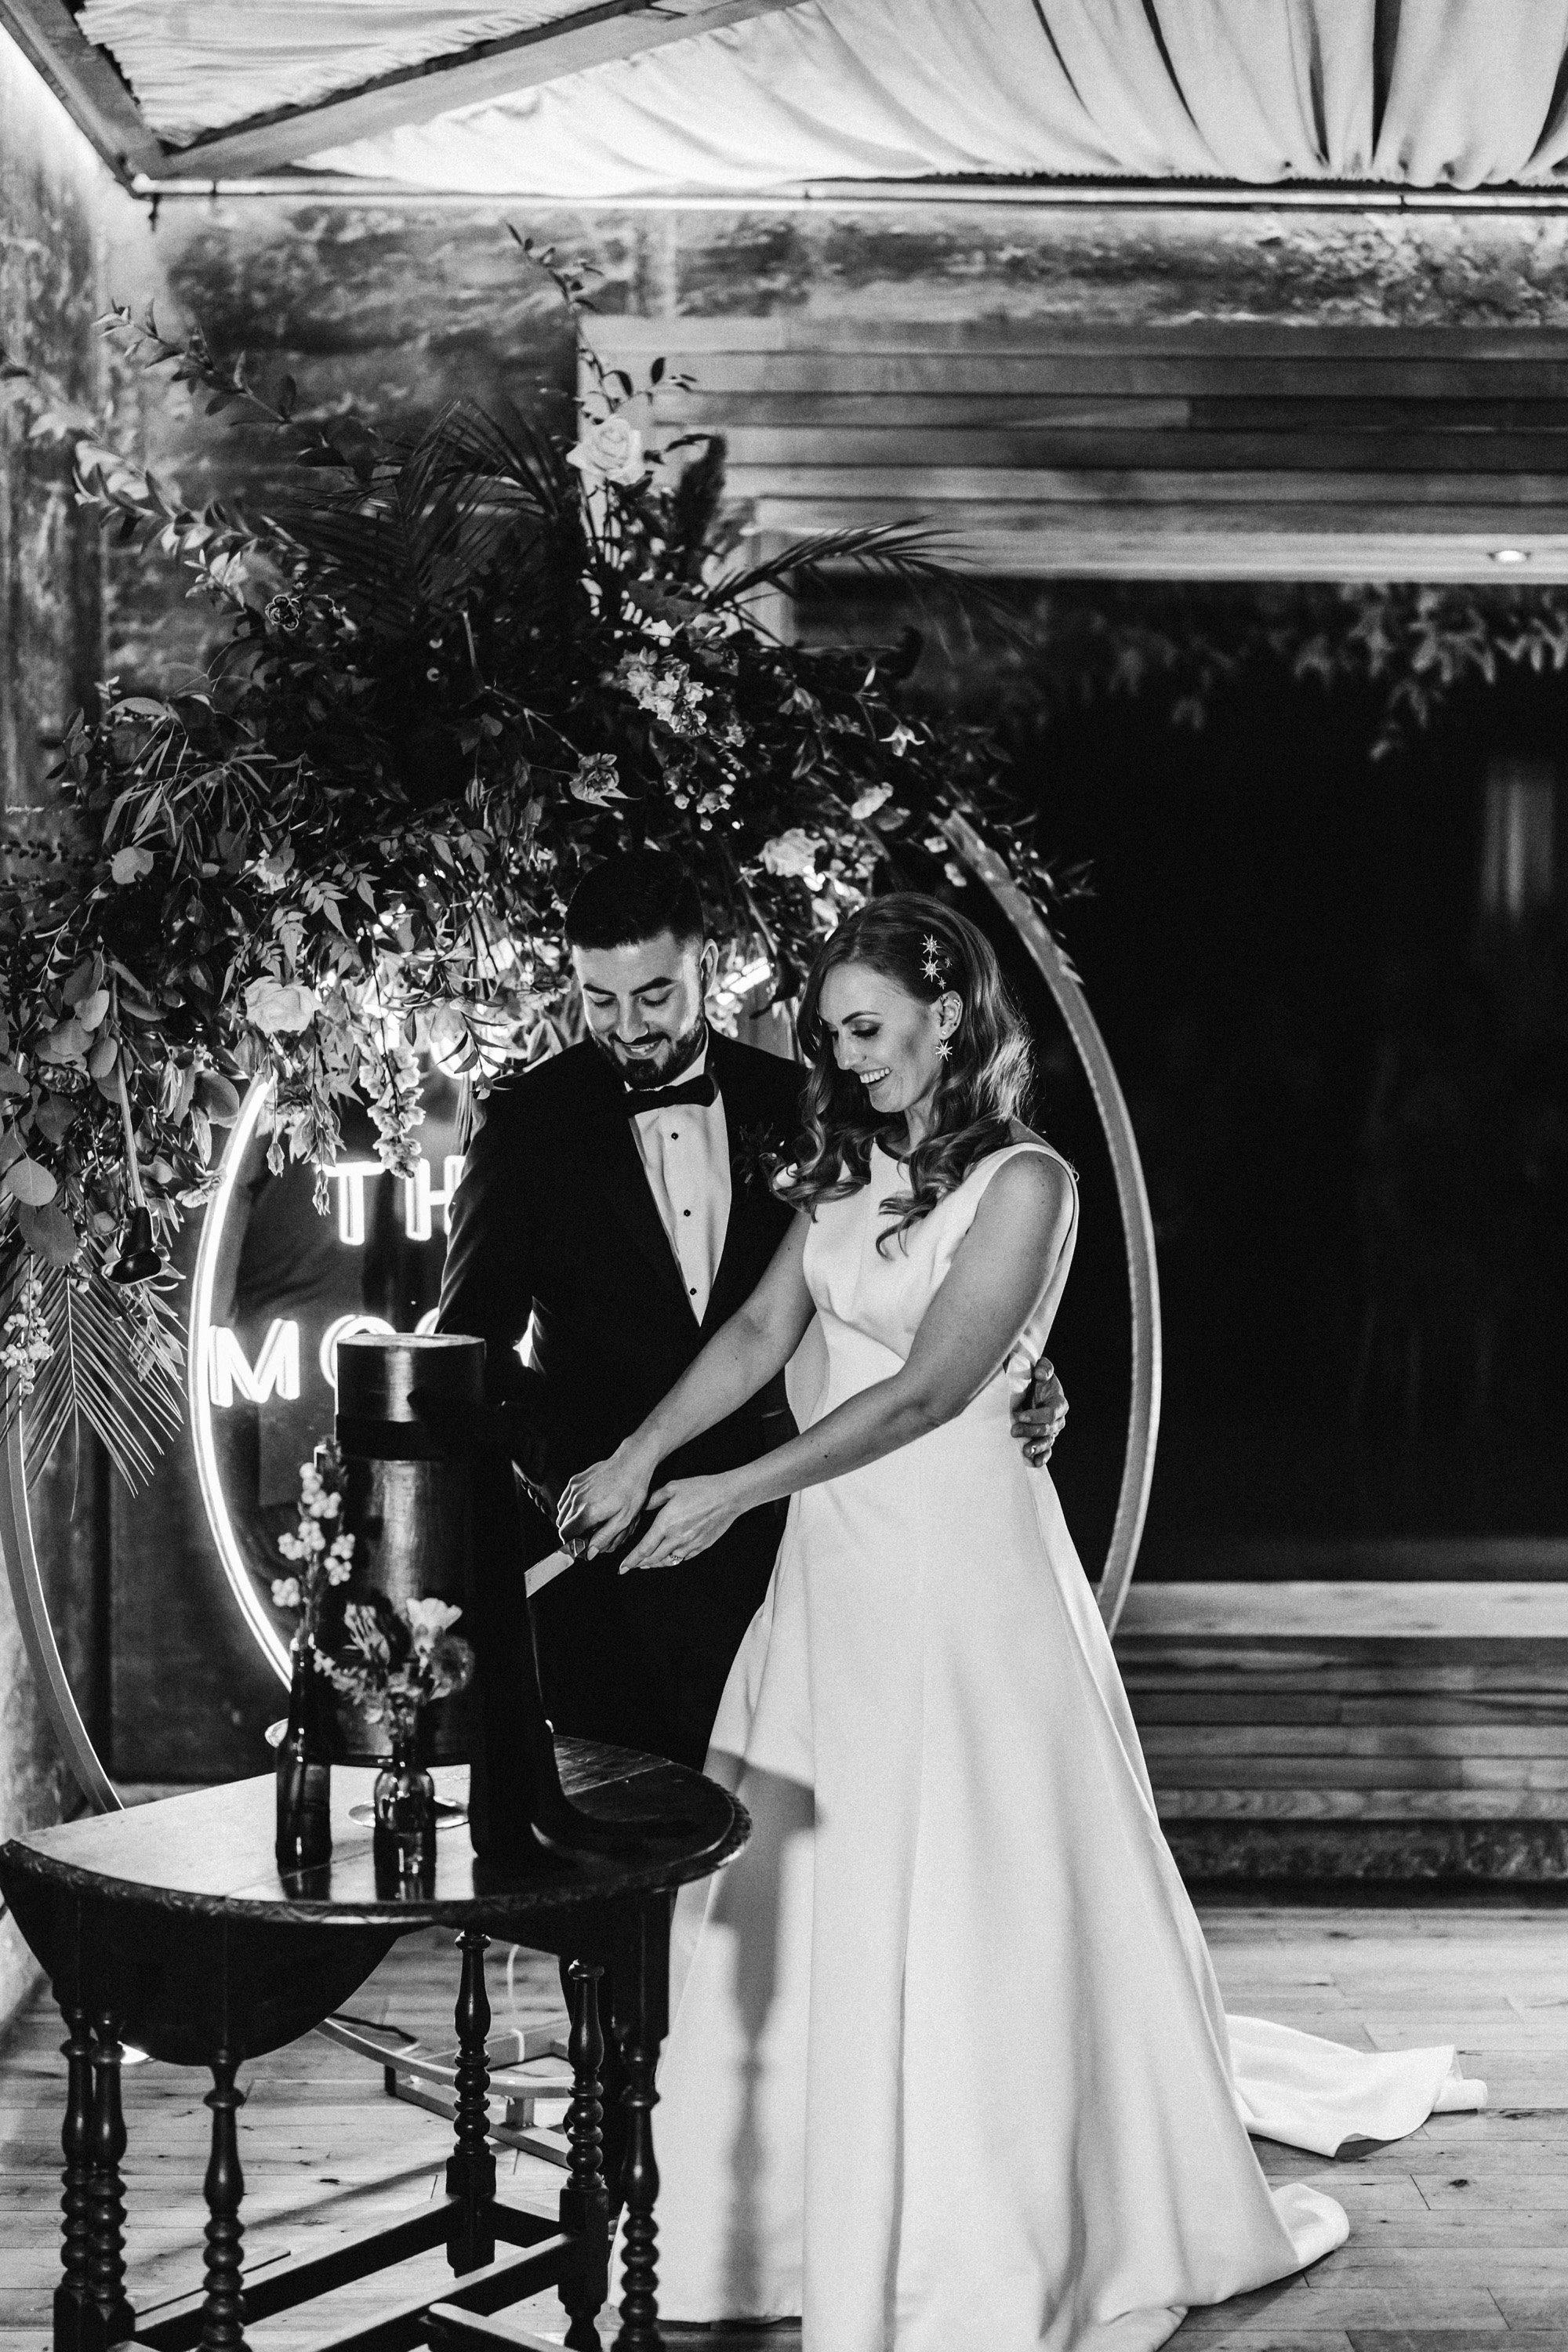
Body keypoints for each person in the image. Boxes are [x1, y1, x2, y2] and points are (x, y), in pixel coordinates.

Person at [558, 891, 1483, 2352]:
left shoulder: (1030, 1185)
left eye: (870, 1029)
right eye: (831, 1032)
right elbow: (757, 1335)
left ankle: (996, 2212)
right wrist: (637, 1454)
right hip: (840, 1581)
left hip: (961, 1571)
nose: (846, 1056)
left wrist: (733, 1493)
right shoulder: (846, 1164)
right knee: (811, 1879)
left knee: (979, 1869)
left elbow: (930, 1389)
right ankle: (793, 2205)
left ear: (949, 1014)